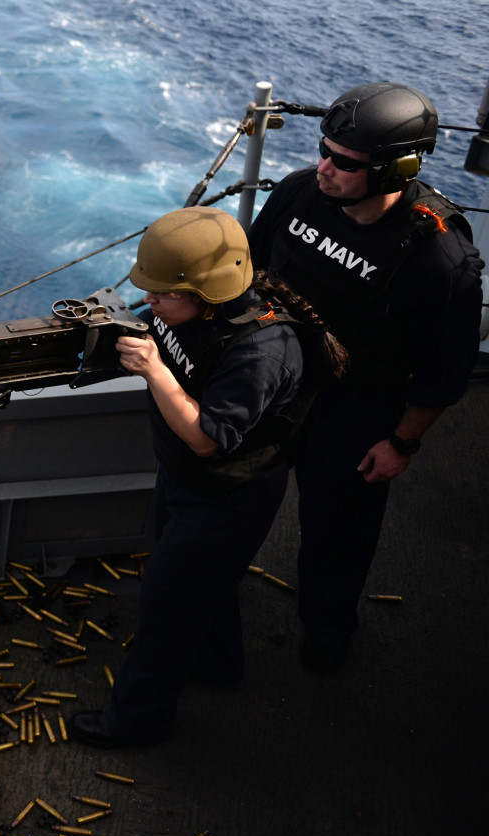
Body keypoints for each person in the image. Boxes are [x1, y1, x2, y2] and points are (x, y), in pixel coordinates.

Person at [71, 206, 347, 748]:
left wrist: (153, 370)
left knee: (166, 607)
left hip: (227, 495)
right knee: (202, 585)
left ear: (203, 294)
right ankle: (218, 665)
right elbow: (156, 331)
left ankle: (136, 722)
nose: (149, 304)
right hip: (185, 478)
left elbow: (206, 437)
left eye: (161, 295)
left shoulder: (261, 351)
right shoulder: (189, 314)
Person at [247, 82, 484, 673]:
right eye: (323, 150)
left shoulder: (436, 257)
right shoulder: (301, 193)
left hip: (355, 410)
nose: (324, 167)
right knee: (234, 491)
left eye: (345, 162)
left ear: (397, 168)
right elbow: (249, 268)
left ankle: (327, 627)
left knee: (337, 529)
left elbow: (444, 372)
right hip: (275, 378)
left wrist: (400, 442)